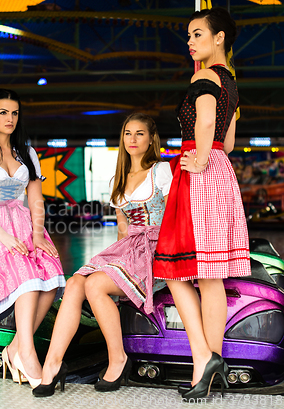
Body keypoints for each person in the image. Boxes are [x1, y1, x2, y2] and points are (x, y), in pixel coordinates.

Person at [33, 113, 172, 397]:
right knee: (74, 283)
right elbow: (123, 231)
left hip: (158, 251)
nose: (132, 139)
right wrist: (115, 264)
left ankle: (118, 358)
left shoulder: (161, 170)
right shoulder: (117, 180)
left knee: (95, 284)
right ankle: (52, 364)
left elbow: (174, 218)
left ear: (150, 139)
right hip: (129, 250)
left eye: (140, 133)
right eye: (128, 133)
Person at [153, 8, 251, 400]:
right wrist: (212, 156)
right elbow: (229, 142)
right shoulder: (231, 83)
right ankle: (209, 363)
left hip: (200, 173)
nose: (190, 42)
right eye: (189, 36)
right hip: (221, 175)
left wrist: (201, 157)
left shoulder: (205, 75)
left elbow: (208, 124)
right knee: (211, 276)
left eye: (197, 34)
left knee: (176, 272)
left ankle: (203, 357)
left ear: (220, 37)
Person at [0, 88, 66, 388]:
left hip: (24, 225)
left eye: (14, 113)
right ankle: (28, 355)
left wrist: (38, 235)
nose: (9, 118)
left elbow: (35, 200)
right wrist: (6, 238)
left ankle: (17, 348)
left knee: (53, 278)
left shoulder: (27, 153)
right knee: (28, 280)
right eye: (3, 112)